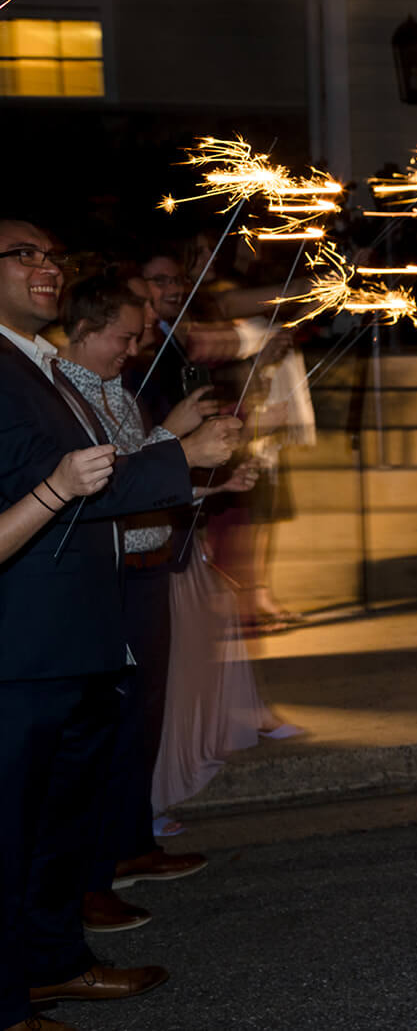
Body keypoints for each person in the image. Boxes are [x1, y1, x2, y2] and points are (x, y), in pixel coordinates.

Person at [0, 219, 241, 1030]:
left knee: (53, 822)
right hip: (25, 641)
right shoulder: (4, 370)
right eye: (23, 254)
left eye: (50, 255)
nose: (45, 267)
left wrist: (187, 464)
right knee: (15, 832)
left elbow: (93, 482)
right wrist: (182, 453)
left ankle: (54, 962)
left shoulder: (38, 368)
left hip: (74, 631)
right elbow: (54, 487)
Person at [54, 275, 257, 931]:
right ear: (84, 329)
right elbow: (105, 489)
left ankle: (128, 847)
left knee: (139, 720)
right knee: (99, 731)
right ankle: (88, 876)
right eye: (125, 335)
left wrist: (209, 481)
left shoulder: (118, 392)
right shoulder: (61, 394)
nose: (135, 347)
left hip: (146, 570)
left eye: (139, 336)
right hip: (105, 580)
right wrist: (176, 442)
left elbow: (141, 482)